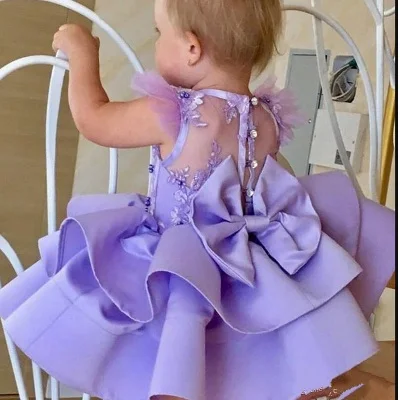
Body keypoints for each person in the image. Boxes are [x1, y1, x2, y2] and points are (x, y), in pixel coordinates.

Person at [0, 0, 395, 399]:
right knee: (272, 352)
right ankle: (342, 387)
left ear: (192, 48)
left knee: (164, 335)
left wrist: (83, 51)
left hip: (179, 269)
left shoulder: (177, 112)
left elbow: (93, 119)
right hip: (243, 265)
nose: (157, 43)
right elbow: (272, 187)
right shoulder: (267, 119)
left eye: (160, 33)